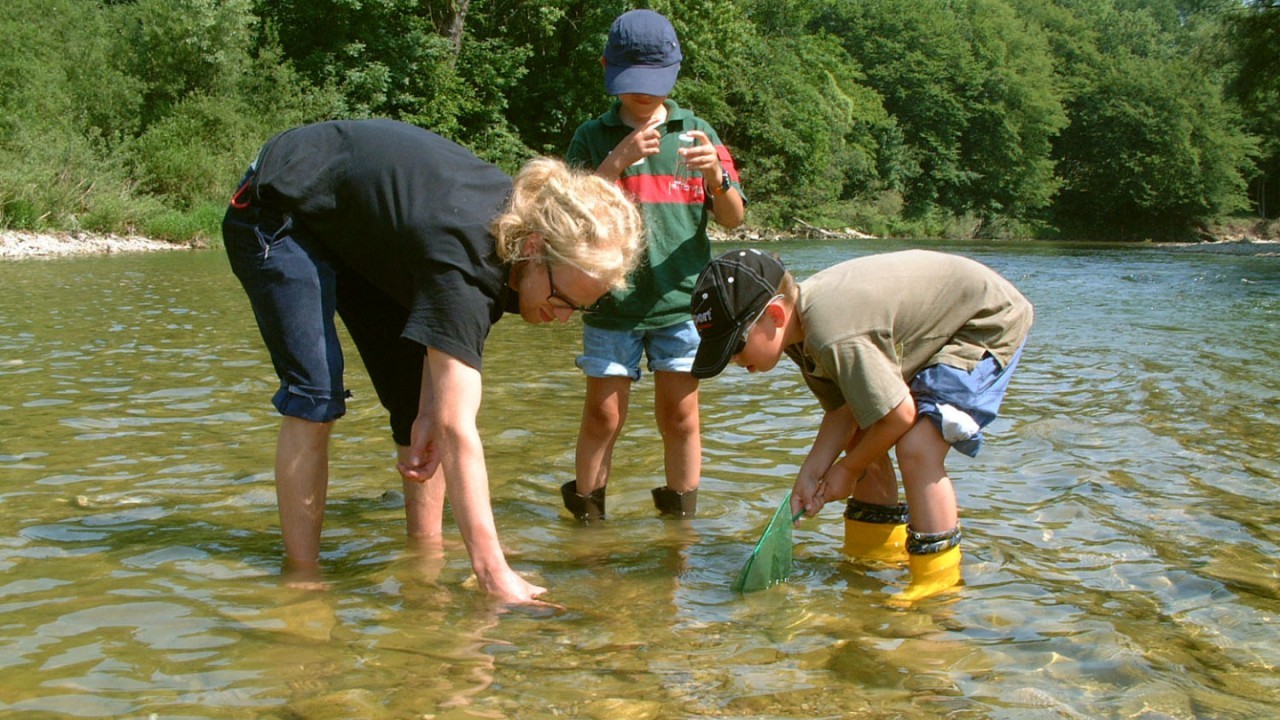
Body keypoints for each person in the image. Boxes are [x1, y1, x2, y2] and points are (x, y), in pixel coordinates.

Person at [221, 118, 645, 603]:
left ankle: (423, 556)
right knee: (317, 396)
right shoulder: (467, 264)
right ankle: (301, 577)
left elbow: (441, 386)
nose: (566, 317)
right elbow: (458, 428)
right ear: (533, 247)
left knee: (417, 411)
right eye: (563, 298)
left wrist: (426, 409)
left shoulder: (519, 244)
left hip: (365, 225)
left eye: (582, 307)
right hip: (280, 207)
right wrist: (494, 572)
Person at [690, 248, 1033, 604]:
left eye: (735, 346)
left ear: (775, 314)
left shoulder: (830, 335)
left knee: (918, 447)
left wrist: (848, 470)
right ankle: (876, 559)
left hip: (982, 322)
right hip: (938, 323)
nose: (732, 360)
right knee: (861, 435)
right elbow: (844, 411)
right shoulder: (797, 334)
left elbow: (899, 415)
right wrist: (812, 472)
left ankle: (938, 586)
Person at [561, 9, 746, 521]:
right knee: (603, 415)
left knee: (681, 417)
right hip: (610, 300)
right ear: (607, 69)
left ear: (675, 73)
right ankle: (588, 519)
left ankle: (679, 527)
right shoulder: (593, 136)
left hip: (682, 304)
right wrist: (616, 162)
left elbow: (732, 218)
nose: (644, 94)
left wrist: (717, 178)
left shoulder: (697, 133)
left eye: (655, 82)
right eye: (632, 83)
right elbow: (576, 217)